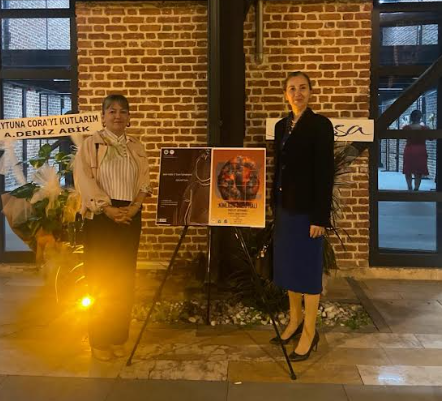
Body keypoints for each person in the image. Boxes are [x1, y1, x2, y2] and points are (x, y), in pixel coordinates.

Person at [74, 94, 152, 361]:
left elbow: (144, 180)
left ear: (129, 118)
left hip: (130, 216)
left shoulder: (136, 146)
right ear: (103, 116)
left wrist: (135, 207)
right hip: (100, 218)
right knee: (100, 279)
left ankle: (119, 337)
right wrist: (107, 209)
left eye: (123, 111)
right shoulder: (91, 144)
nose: (118, 116)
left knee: (124, 279)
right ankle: (99, 340)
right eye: (112, 111)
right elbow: (84, 180)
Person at [270, 71, 334, 362]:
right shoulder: (281, 126)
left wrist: (320, 217)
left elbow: (324, 172)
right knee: (289, 267)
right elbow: (278, 168)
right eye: (292, 89)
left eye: (303, 88)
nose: (297, 93)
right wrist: (273, 204)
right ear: (286, 94)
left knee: (307, 270)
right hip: (285, 208)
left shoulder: (320, 125)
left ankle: (309, 331)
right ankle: (294, 321)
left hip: (308, 212)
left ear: (310, 92)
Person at [402, 110, 429, 191]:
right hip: (421, 150)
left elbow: (402, 136)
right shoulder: (425, 128)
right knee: (418, 171)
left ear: (411, 117)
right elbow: (431, 138)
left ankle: (409, 187)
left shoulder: (406, 128)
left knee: (408, 170)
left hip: (409, 150)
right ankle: (416, 188)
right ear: (420, 117)